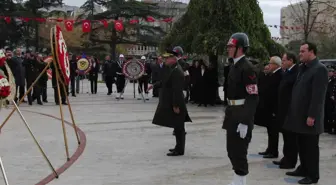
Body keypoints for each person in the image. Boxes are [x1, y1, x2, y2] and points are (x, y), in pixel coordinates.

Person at [283, 42, 328, 184]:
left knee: (310, 148)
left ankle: (313, 175)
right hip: (298, 116)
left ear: (312, 52)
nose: (300, 53)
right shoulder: (303, 68)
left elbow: (318, 96)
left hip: (309, 117)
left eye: (303, 51)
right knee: (301, 145)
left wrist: (312, 115)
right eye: (300, 51)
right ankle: (303, 168)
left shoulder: (319, 69)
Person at [222, 33, 258, 185]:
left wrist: (245, 121)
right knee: (231, 149)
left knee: (239, 151)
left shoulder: (247, 68)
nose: (229, 49)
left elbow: (253, 97)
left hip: (242, 114)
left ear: (240, 48)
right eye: (229, 46)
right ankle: (238, 179)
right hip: (232, 112)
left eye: (231, 46)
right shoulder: (234, 65)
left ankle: (240, 180)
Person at [151, 49, 192, 156]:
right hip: (174, 102)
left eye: (167, 58)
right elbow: (165, 82)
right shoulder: (172, 69)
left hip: (177, 103)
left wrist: (175, 105)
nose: (165, 60)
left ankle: (179, 149)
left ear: (173, 59)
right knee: (177, 126)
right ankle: (178, 147)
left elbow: (177, 90)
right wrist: (154, 85)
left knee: (179, 127)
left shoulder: (177, 71)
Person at [273, 51, 299, 169]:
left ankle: (290, 161)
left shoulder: (296, 72)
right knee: (285, 136)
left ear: (291, 61)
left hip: (290, 110)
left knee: (290, 138)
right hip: (283, 110)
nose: (282, 63)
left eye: (284, 60)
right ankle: (286, 157)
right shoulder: (287, 72)